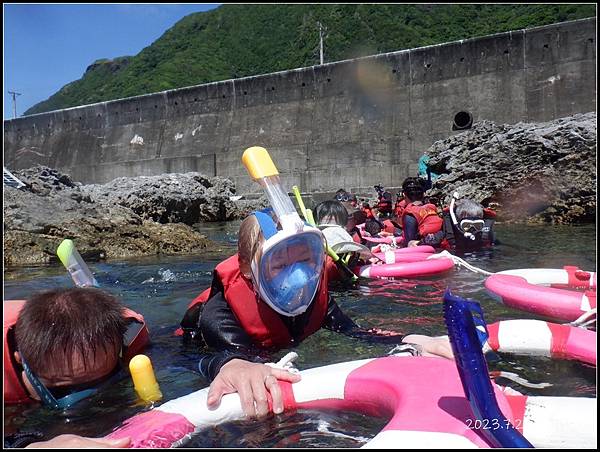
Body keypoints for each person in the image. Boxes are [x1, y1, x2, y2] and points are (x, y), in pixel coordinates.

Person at [178, 211, 454, 418]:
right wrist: (233, 364)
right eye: (280, 264)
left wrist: (412, 339)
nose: (298, 277)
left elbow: (355, 332)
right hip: (196, 342)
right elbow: (204, 359)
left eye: (305, 260)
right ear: (249, 268)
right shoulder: (221, 313)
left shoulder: (314, 298)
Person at [3, 288, 149, 447]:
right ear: (21, 361)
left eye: (107, 378)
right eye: (66, 390)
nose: (90, 400)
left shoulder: (130, 337)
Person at [399, 177, 444, 247]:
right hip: (441, 245)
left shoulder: (410, 215)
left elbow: (409, 243)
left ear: (404, 194)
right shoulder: (432, 208)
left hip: (424, 250)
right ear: (423, 194)